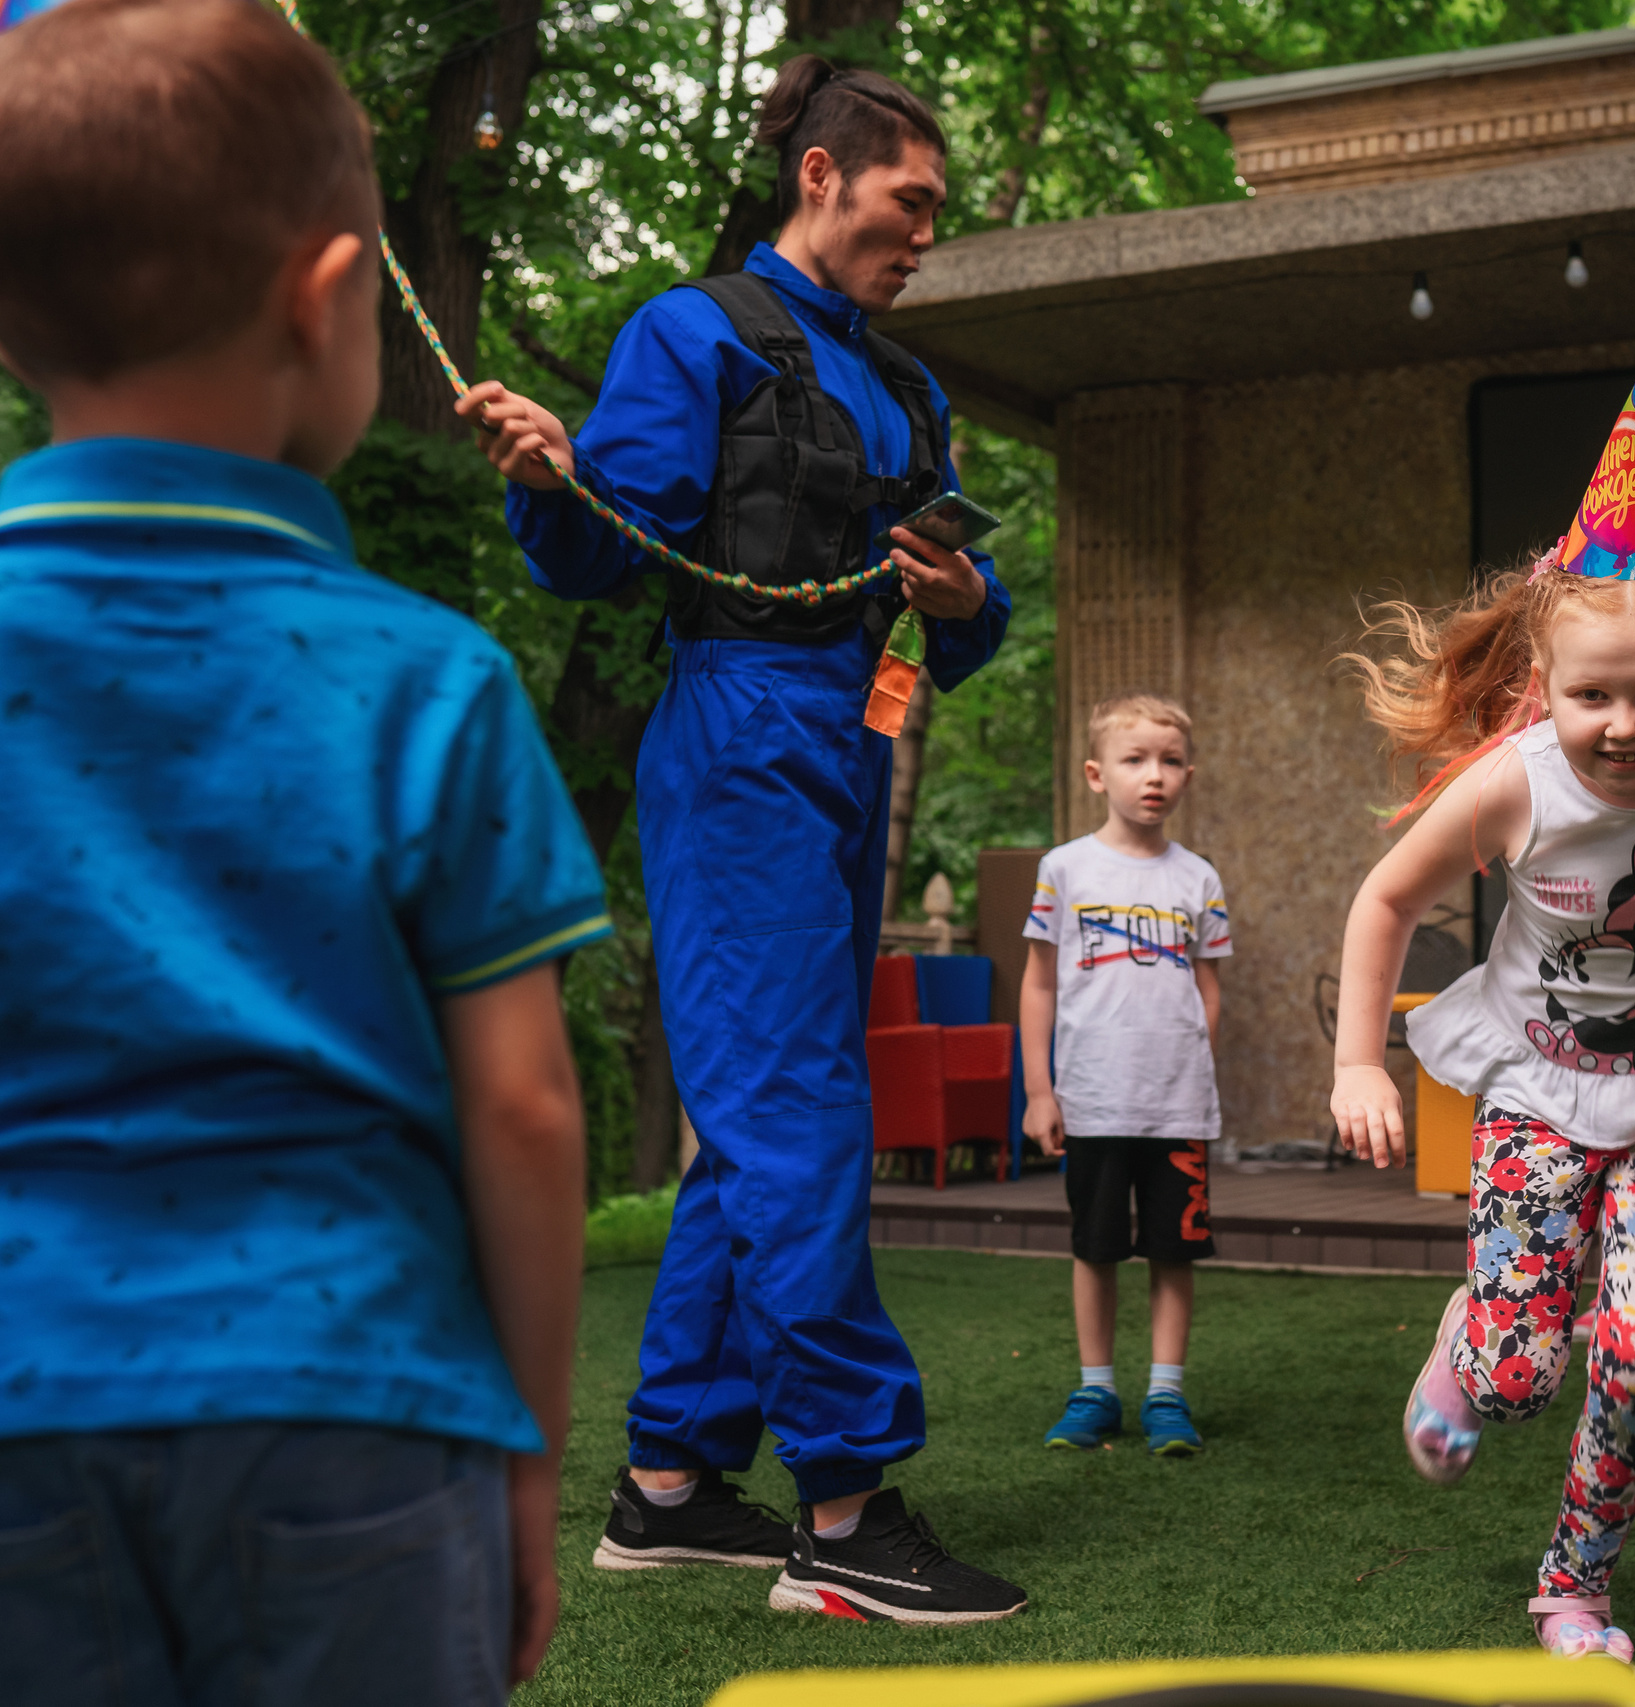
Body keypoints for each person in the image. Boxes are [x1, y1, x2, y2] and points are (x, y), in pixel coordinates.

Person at [0, 2, 606, 1699]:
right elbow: (520, 1105)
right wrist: (526, 1455)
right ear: (328, 291)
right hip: (357, 1401)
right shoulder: (433, 678)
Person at [456, 55, 1023, 1623]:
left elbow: (965, 612)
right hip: (736, 735)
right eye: (912, 201)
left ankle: (668, 1483)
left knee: (759, 1113)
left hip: (860, 743)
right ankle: (845, 1506)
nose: (927, 232)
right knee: (793, 1111)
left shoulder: (913, 392)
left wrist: (968, 607)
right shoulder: (691, 331)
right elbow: (598, 549)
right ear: (824, 177)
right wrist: (549, 479)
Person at [1328, 385, 1635, 1663]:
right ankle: (1471, 1335)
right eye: (1591, 695)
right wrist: (1354, 1063)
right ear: (1539, 680)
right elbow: (1384, 898)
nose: (1622, 726)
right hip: (1540, 1091)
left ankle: (1577, 1584)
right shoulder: (1510, 785)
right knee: (1515, 1373)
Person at [1021, 694, 1233, 1459]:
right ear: (1095, 773)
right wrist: (1041, 1090)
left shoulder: (1199, 878)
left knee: (1175, 1250)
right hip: (1091, 1099)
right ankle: (1097, 1389)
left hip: (1176, 1105)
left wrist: (1188, 1068)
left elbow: (1208, 989)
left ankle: (1166, 1393)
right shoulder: (1064, 869)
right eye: (1135, 759)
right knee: (1097, 1245)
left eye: (1171, 761)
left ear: (1188, 774)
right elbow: (1038, 982)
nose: (1155, 776)